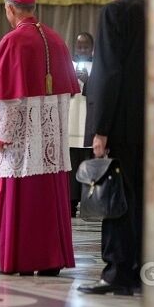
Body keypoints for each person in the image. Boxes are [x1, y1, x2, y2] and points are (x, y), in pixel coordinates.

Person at [0, 0, 79, 276]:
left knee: (20, 199)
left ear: (10, 9)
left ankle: (20, 260)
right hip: (50, 143)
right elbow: (67, 94)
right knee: (48, 200)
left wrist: (0, 136)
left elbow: (8, 98)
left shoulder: (13, 41)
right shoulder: (56, 40)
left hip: (22, 145)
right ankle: (50, 260)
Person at [77, 0, 146, 296]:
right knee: (146, 199)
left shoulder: (115, 12)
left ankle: (117, 272)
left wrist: (99, 129)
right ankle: (143, 271)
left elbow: (107, 74)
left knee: (117, 199)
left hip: (119, 124)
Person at [68, 32, 94, 217]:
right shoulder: (68, 65)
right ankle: (70, 204)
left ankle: (89, 205)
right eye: (79, 46)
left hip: (88, 123)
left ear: (92, 48)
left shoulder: (99, 66)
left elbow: (102, 92)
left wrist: (88, 82)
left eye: (86, 46)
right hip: (71, 123)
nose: (82, 50)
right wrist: (72, 81)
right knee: (71, 167)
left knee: (88, 165)